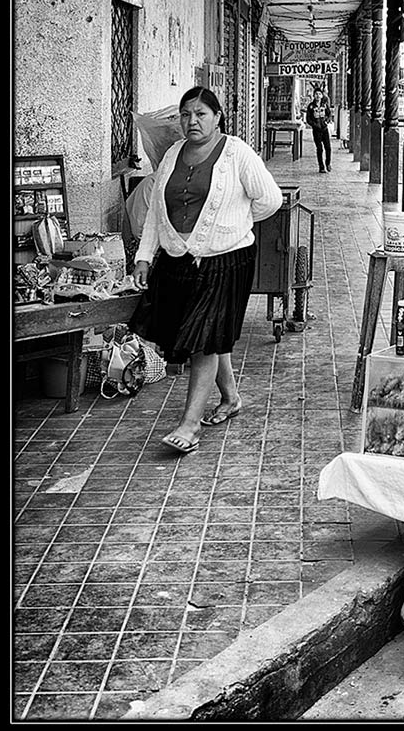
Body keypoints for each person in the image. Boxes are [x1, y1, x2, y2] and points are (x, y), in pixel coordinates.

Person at [129, 86, 283, 455]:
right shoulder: (171, 155)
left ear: (217, 118)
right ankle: (230, 398)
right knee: (210, 336)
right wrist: (144, 256)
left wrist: (231, 226)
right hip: (178, 260)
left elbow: (270, 200)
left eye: (200, 114)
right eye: (186, 114)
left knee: (202, 339)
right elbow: (155, 213)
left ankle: (189, 424)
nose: (192, 121)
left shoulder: (238, 153)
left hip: (226, 261)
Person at [305, 84, 333, 173]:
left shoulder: (324, 105)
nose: (318, 96)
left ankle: (328, 163)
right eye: (316, 94)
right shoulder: (310, 106)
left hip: (324, 129)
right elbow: (308, 119)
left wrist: (326, 121)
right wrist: (314, 125)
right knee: (319, 149)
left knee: (328, 148)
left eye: (319, 94)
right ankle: (321, 166)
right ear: (314, 95)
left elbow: (329, 115)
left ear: (322, 95)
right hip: (316, 130)